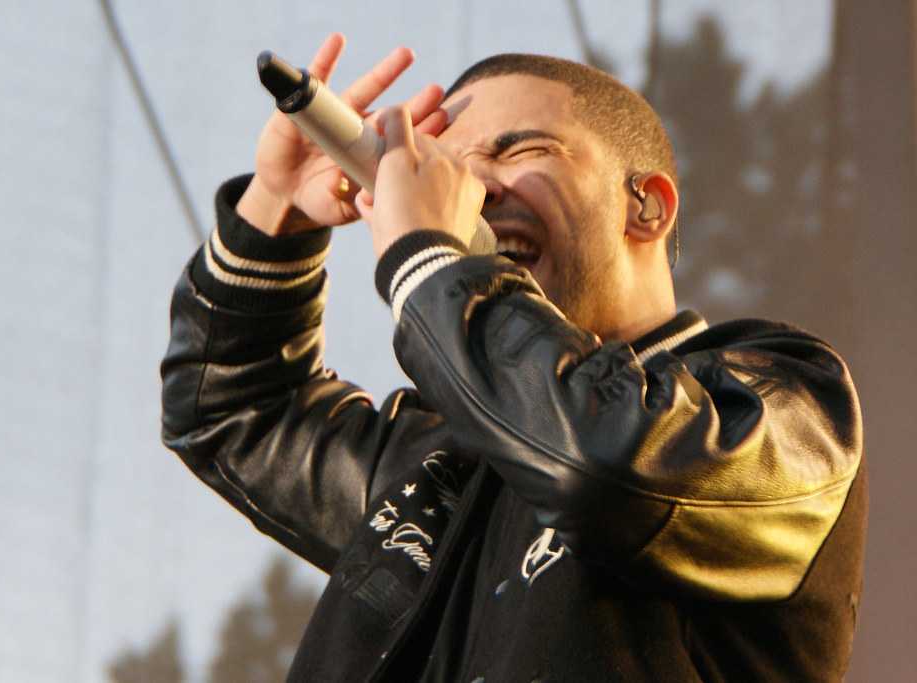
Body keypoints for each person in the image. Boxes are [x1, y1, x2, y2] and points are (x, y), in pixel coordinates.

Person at [161, 33, 866, 682]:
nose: (472, 191)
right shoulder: (443, 466)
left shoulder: (780, 402)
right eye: (452, 171)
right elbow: (231, 406)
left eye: (519, 151)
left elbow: (603, 463)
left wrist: (429, 257)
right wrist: (275, 208)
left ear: (646, 206)